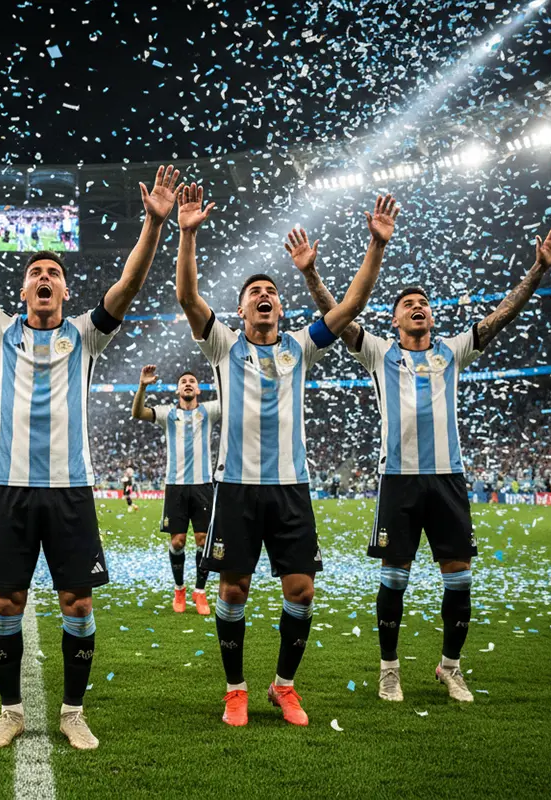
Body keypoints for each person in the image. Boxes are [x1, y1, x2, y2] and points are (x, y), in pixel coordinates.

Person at [0, 153, 179, 750]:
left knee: (76, 600)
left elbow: (129, 285)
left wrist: (154, 225)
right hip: (9, 487)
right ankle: (10, 712)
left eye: (53, 272)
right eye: (35, 270)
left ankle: (72, 710)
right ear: (22, 287)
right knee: (7, 600)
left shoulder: (84, 334)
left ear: (63, 288)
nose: (43, 277)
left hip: (69, 489)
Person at [299, 221, 551, 704]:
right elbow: (334, 315)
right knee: (395, 580)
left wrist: (537, 269)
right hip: (398, 481)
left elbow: (502, 315)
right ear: (395, 320)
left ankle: (450, 667)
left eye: (423, 302)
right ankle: (389, 670)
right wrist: (311, 274)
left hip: (448, 480)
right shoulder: (378, 353)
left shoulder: (452, 351)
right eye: (408, 304)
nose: (418, 306)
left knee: (460, 578)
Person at [176, 185, 397, 727]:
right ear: (241, 308)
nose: (263, 295)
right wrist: (187, 234)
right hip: (236, 488)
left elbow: (352, 308)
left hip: (290, 489)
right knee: (234, 589)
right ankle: (236, 690)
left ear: (280, 305)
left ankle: (284, 686)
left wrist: (376, 246)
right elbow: (187, 297)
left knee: (300, 589)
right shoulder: (224, 344)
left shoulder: (300, 344)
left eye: (270, 290)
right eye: (254, 291)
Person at [131, 365, 218, 615]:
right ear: (178, 389)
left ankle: (199, 592)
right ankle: (179, 588)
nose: (188, 383)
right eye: (184, 381)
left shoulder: (210, 411)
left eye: (192, 381)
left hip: (203, 485)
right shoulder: (167, 414)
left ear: (198, 389)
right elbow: (137, 413)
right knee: (178, 541)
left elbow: (234, 397)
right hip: (175, 486)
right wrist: (143, 386)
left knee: (203, 539)